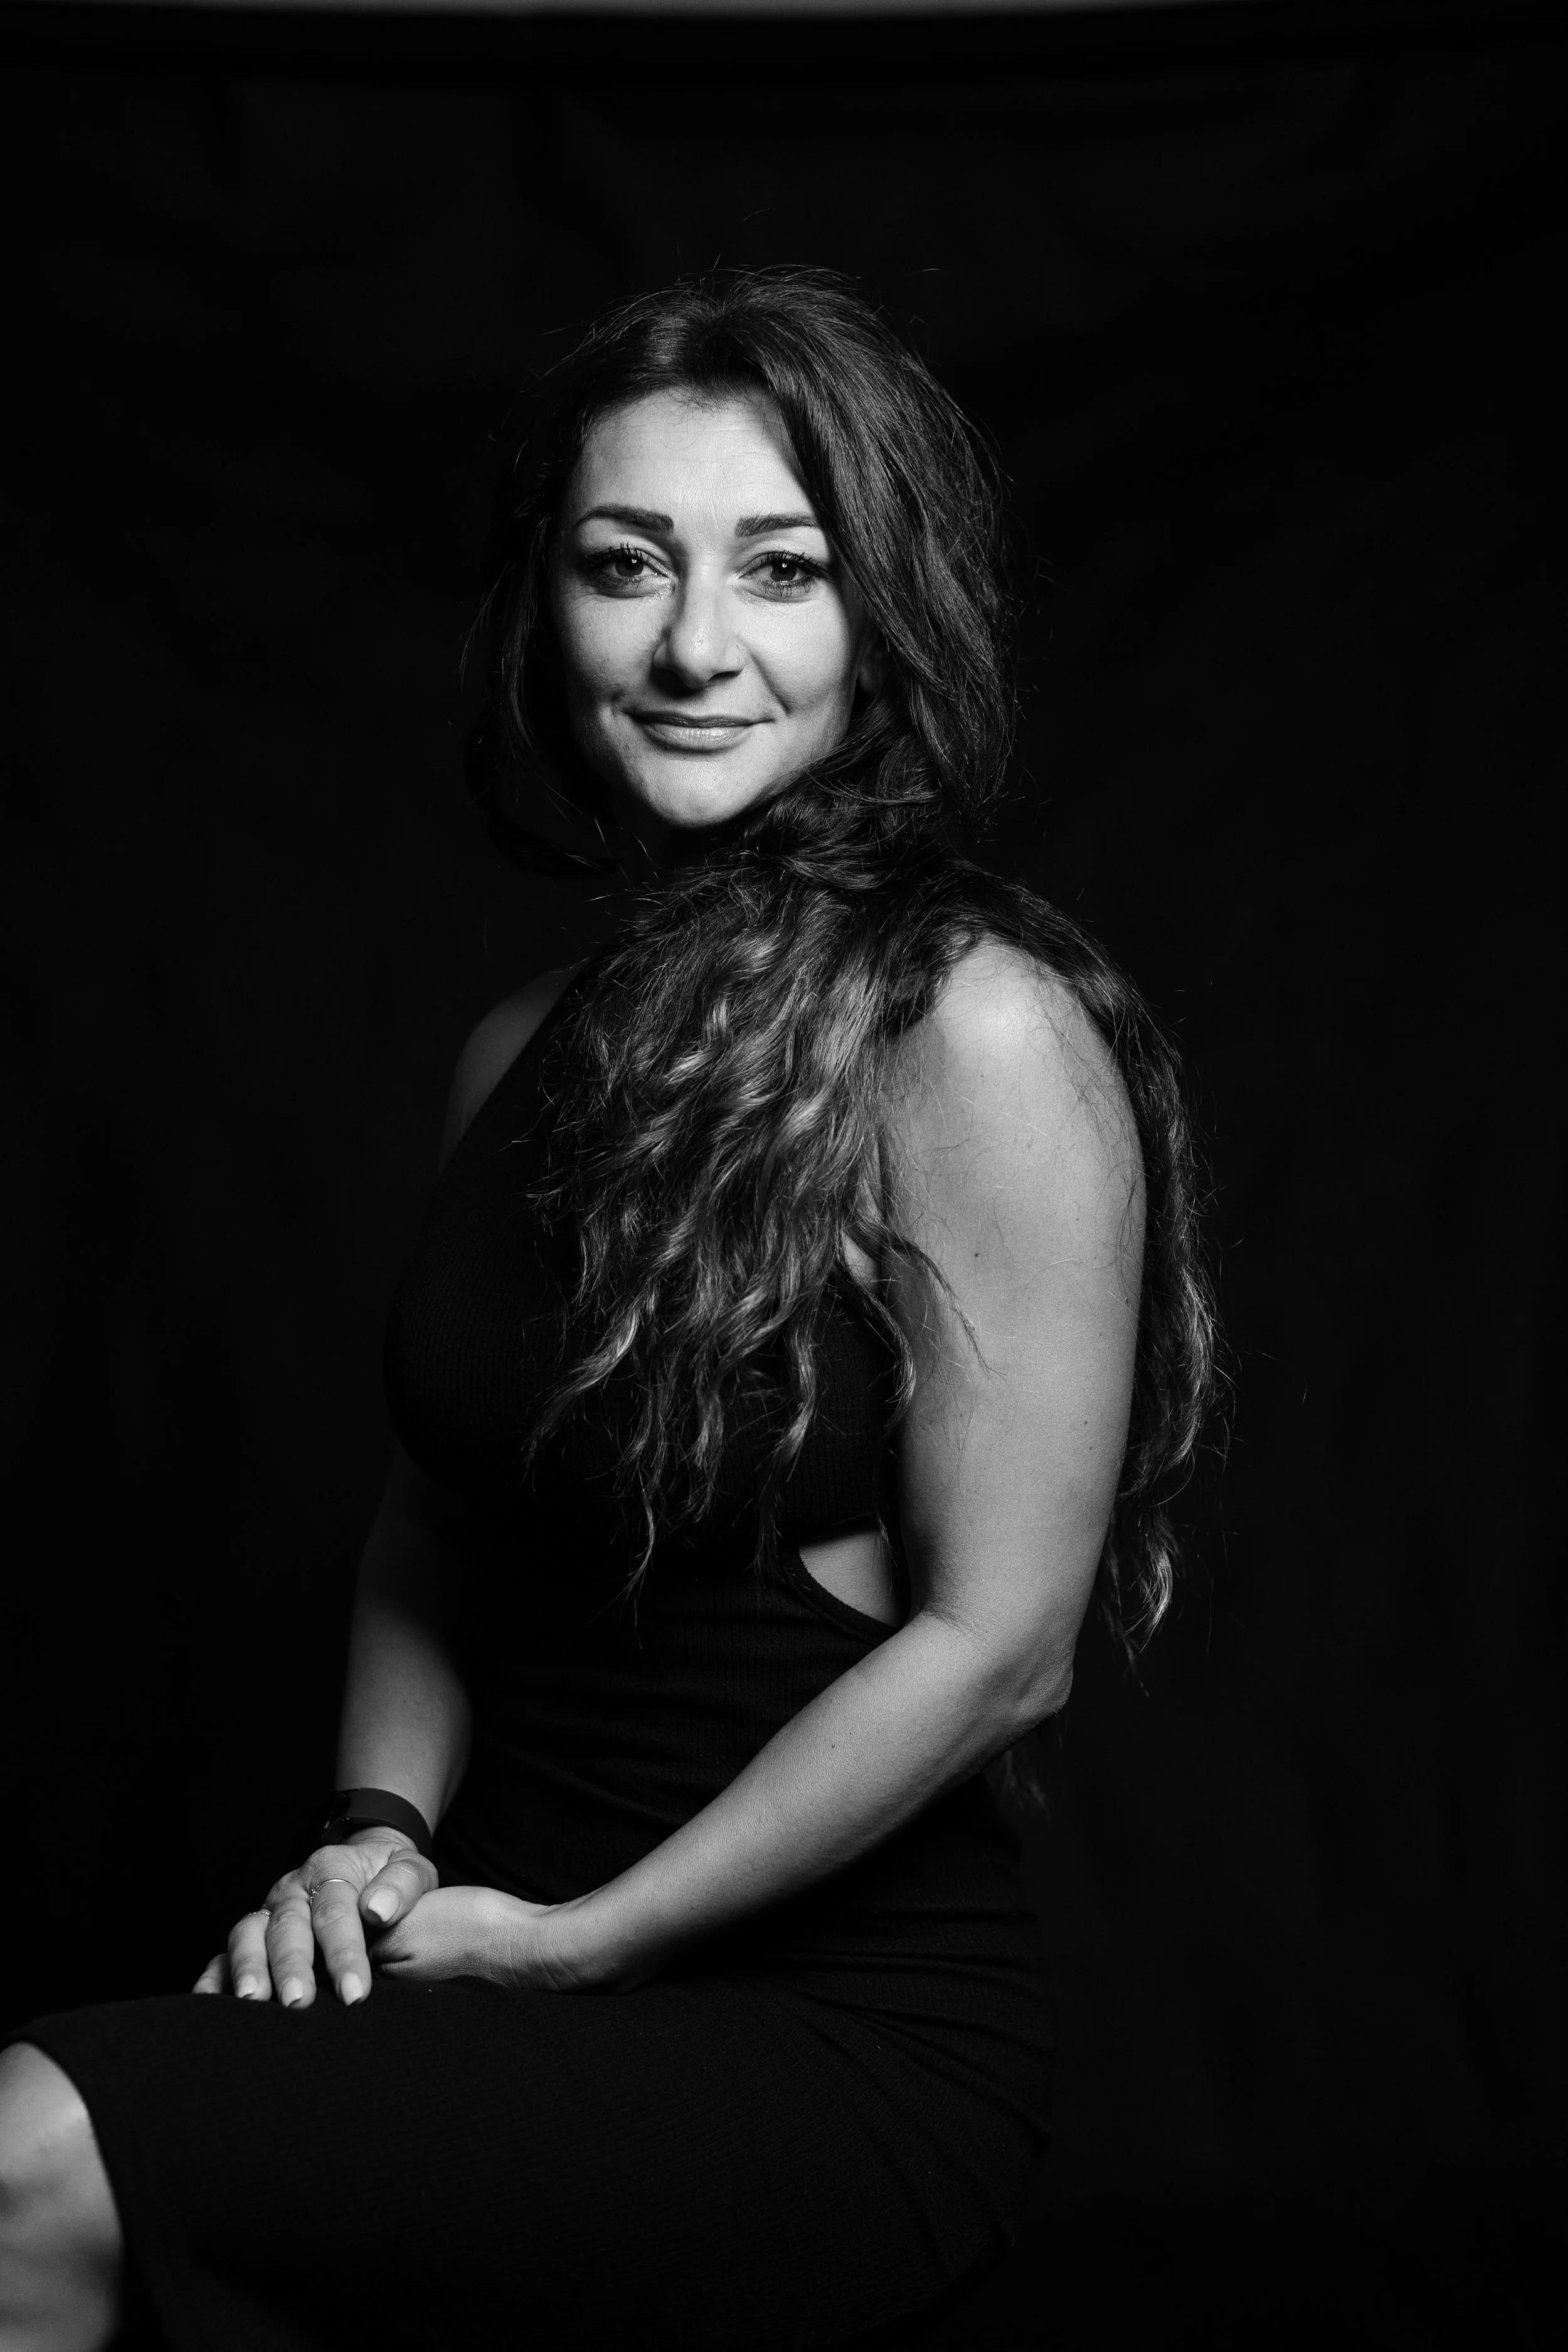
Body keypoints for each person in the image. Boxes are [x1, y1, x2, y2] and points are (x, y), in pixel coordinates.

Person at [0, 270, 1214, 2352]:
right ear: (543, 613)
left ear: (884, 616)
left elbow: (999, 1647)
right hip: (490, 1932)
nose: (694, 645)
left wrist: (587, 1942)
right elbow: (435, 1513)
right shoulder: (514, 1043)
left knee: (31, 2158)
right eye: (626, 562)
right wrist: (373, 1838)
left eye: (782, 569)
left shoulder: (973, 1033)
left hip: (825, 2031)